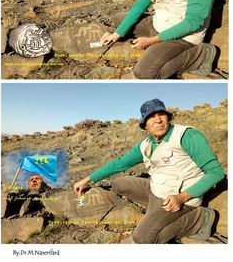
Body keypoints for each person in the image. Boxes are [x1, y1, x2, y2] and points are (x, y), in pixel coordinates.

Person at [74, 98, 225, 244]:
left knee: (142, 238)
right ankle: (157, 211)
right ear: (145, 125)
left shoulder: (187, 136)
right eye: (151, 116)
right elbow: (120, 164)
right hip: (156, 190)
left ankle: (198, 219)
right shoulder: (146, 144)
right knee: (118, 184)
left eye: (161, 114)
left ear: (168, 117)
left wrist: (182, 197)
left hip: (181, 198)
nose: (158, 119)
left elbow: (216, 172)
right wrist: (87, 179)